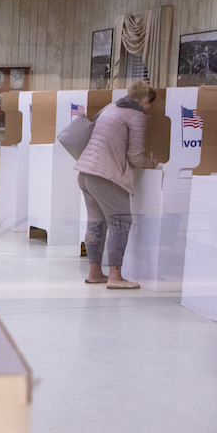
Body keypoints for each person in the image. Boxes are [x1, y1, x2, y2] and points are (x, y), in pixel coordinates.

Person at [75, 80, 159, 289]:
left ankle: (95, 273)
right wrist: (154, 163)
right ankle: (115, 277)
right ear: (145, 100)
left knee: (96, 222)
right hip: (106, 175)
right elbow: (135, 156)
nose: (150, 107)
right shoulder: (137, 116)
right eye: (150, 102)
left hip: (86, 172)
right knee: (120, 223)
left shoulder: (111, 108)